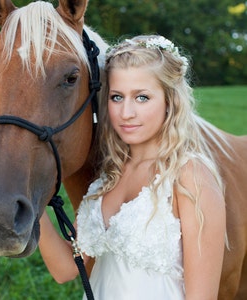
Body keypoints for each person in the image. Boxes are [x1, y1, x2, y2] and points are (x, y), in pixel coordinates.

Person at [39, 35, 227, 299]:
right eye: (117, 97)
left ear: (169, 101)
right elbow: (65, 269)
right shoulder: (106, 177)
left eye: (142, 97)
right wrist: (33, 200)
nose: (126, 112)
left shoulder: (190, 176)